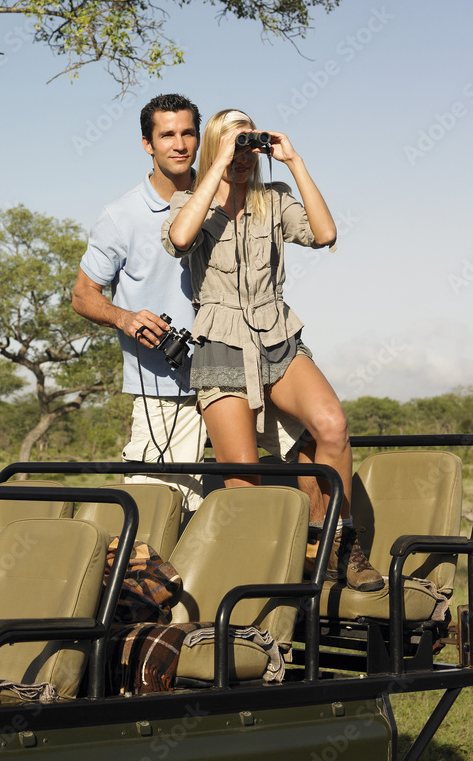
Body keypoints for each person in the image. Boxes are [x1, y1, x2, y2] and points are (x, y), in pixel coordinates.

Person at [161, 108, 382, 592]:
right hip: (221, 343)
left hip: (276, 334)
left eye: (250, 146)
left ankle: (338, 545)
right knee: (244, 480)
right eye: (233, 145)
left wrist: (294, 161)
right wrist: (217, 165)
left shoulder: (274, 198)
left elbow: (325, 234)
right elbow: (179, 239)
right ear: (216, 147)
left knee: (332, 426)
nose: (244, 156)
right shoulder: (188, 201)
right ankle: (259, 581)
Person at [72, 95, 307, 514]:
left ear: (202, 139)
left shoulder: (233, 189)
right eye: (167, 135)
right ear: (147, 144)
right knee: (156, 514)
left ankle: (322, 547)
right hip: (169, 386)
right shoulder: (120, 215)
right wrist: (125, 318)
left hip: (245, 369)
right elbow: (82, 294)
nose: (179, 144)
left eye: (187, 133)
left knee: (315, 445)